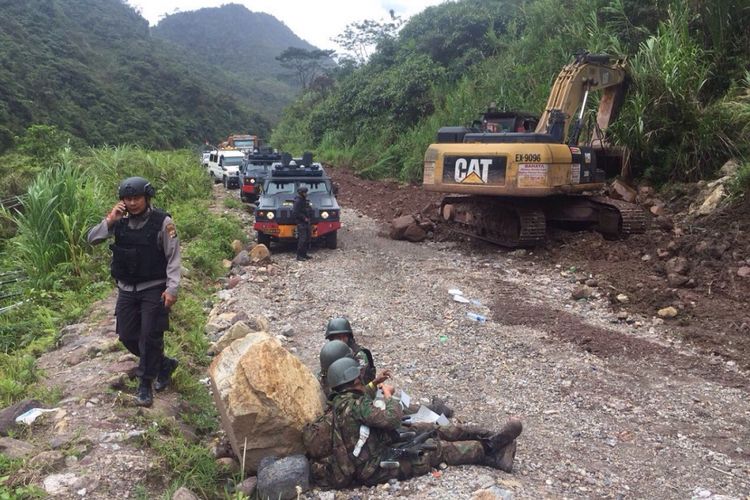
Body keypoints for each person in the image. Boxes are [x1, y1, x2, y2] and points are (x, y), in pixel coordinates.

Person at [316, 357, 522, 487]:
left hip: (378, 450)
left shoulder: (341, 404)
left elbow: (361, 402)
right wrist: (389, 397)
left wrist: (374, 384)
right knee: (434, 450)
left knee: (429, 430)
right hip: (374, 467)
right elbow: (391, 417)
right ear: (353, 382)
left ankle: (490, 437)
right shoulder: (354, 405)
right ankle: (490, 450)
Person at [87, 176, 181, 407]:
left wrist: (172, 288)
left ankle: (144, 385)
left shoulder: (163, 222)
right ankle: (164, 364)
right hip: (127, 289)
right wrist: (110, 220)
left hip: (154, 288)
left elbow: (173, 257)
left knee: (149, 335)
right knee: (127, 335)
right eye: (127, 199)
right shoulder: (119, 222)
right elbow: (92, 239)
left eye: (136, 198)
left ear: (147, 198)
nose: (132, 203)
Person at [292, 185, 312, 261]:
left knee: (307, 238)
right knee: (302, 239)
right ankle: (299, 256)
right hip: (301, 222)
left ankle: (304, 254)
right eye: (305, 192)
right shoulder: (298, 201)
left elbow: (306, 209)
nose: (306, 193)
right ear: (301, 193)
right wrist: (304, 218)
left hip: (306, 222)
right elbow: (295, 212)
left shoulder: (303, 200)